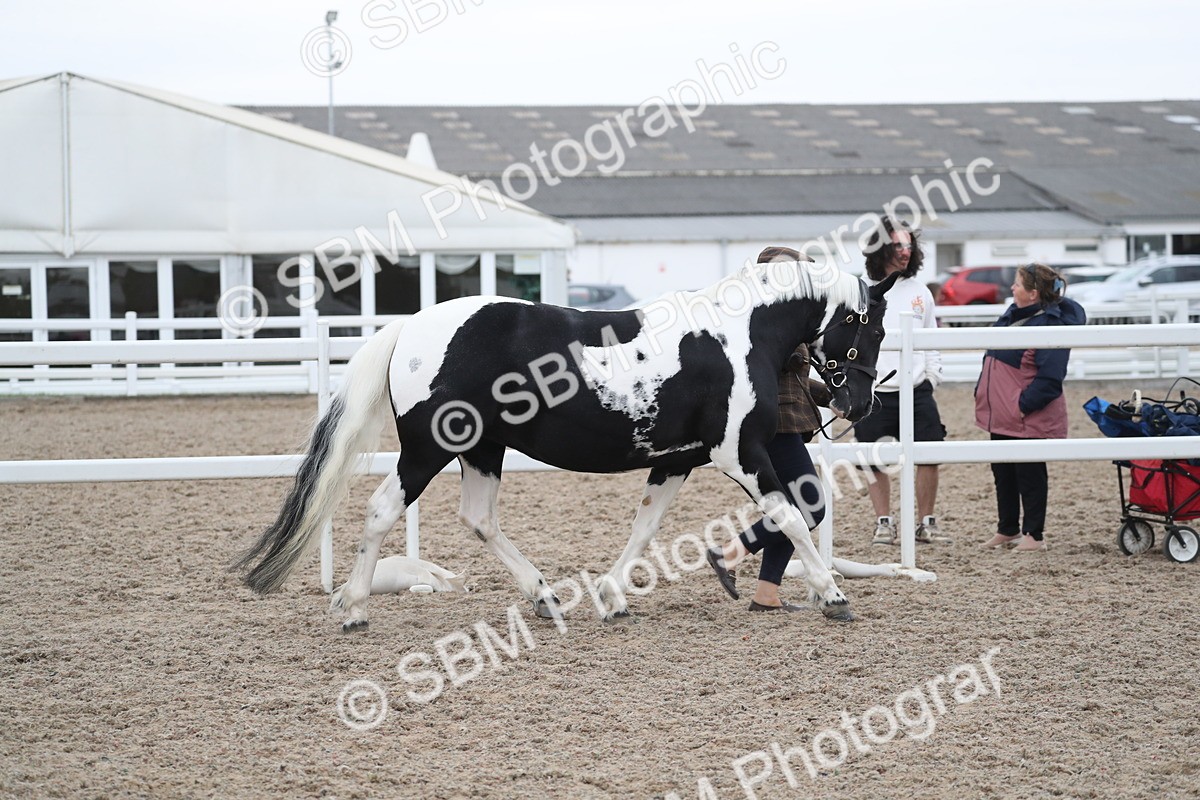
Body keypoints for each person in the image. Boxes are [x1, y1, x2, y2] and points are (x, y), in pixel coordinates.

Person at [705, 246, 830, 613]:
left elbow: (798, 382)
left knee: (789, 507)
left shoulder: (787, 318)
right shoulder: (765, 323)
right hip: (773, 426)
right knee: (811, 506)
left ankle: (766, 593)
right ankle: (730, 552)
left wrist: (833, 399)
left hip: (788, 423)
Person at [853, 217, 952, 545]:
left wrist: (932, 378)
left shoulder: (920, 292)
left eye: (909, 245)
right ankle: (884, 522)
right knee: (873, 459)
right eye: (898, 245)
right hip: (875, 391)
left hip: (917, 389)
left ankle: (927, 522)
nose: (905, 252)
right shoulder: (859, 291)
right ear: (881, 248)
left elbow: (932, 339)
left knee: (928, 455)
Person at [976, 263, 1086, 551]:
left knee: (1030, 474)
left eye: (1018, 284)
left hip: (1025, 416)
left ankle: (1033, 535)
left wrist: (1020, 407)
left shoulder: (1050, 325)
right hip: (1002, 414)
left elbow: (1050, 379)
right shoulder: (1012, 316)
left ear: (1034, 293)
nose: (1012, 288)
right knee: (1004, 473)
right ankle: (1008, 529)